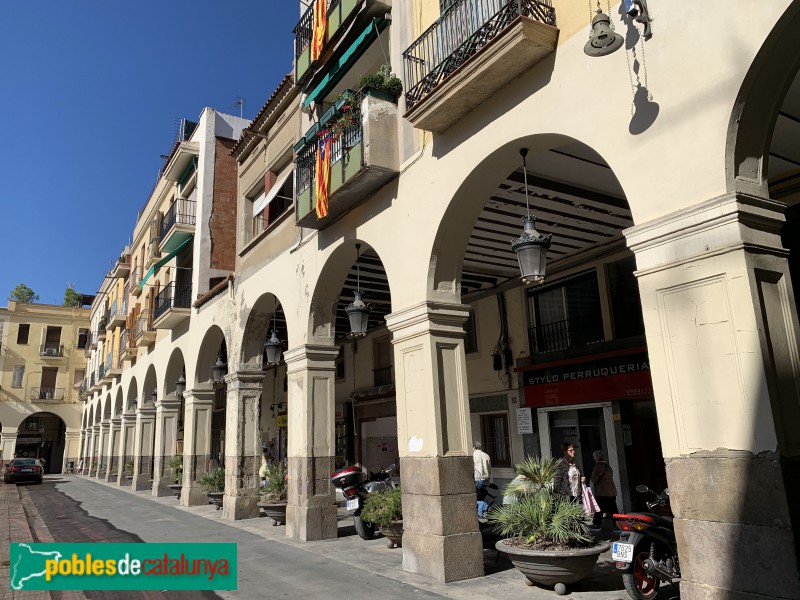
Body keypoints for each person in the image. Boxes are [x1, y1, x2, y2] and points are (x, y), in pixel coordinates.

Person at [590, 450, 618, 528]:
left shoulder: (598, 466)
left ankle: (596, 524)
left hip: (602, 491)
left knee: (599, 508)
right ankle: (617, 524)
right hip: (611, 491)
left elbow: (594, 479)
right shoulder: (607, 466)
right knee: (613, 509)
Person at [473, 441, 492, 518]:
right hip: (486, 479)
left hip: (478, 479)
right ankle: (485, 509)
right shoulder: (486, 455)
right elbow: (490, 469)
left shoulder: (473, 455)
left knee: (478, 496)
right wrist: (490, 481)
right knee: (482, 495)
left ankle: (481, 513)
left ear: (474, 447)